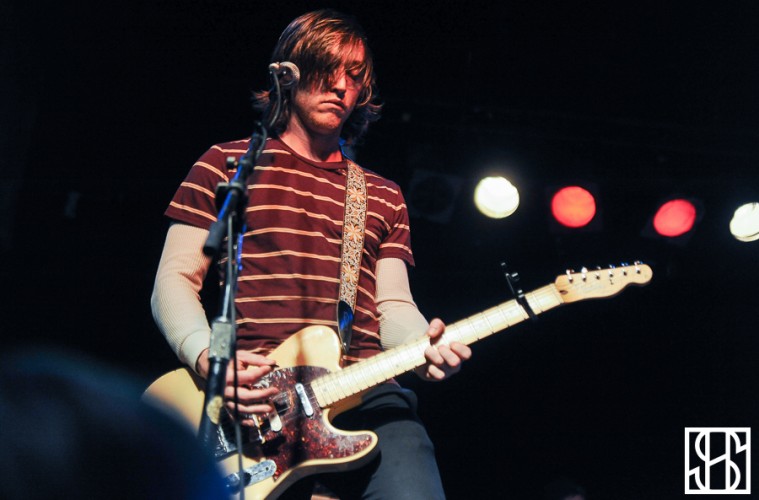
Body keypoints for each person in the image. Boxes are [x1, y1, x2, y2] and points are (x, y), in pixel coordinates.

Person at [151, 9, 471, 499]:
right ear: (289, 73)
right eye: (326, 69)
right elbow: (174, 280)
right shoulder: (226, 166)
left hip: (364, 391)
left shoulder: (382, 195)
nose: (341, 86)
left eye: (355, 76)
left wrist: (422, 344)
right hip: (256, 400)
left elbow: (392, 305)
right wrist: (207, 357)